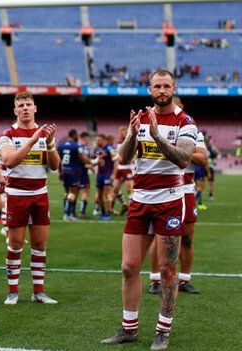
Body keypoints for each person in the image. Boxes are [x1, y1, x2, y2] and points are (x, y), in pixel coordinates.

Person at [101, 70, 197, 350]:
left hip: (169, 199)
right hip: (140, 199)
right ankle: (129, 328)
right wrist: (132, 132)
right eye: (157, 86)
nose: (162, 90)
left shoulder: (186, 122)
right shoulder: (140, 117)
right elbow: (124, 156)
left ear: (174, 88)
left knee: (167, 268)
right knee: (129, 267)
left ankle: (162, 331)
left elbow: (183, 158)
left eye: (167, 86)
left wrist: (156, 135)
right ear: (150, 88)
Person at [0, 92, 60, 306]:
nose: (25, 108)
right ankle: (13, 291)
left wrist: (50, 144)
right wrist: (33, 140)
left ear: (35, 108)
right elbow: (9, 160)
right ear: (15, 110)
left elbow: (54, 166)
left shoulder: (46, 134)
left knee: (40, 244)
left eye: (28, 104)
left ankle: (38, 291)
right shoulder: (7, 135)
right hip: (17, 196)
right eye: (20, 105)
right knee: (15, 244)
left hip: (40, 195)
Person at [147, 97, 207, 295]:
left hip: (187, 189)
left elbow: (203, 159)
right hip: (163, 189)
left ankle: (185, 280)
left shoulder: (193, 130)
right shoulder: (156, 129)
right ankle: (155, 280)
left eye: (178, 107)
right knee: (158, 238)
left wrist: (178, 151)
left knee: (187, 238)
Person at [58, 129, 88, 221]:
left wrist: (60, 171)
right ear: (75, 135)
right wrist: (92, 161)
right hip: (74, 172)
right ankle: (68, 214)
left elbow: (58, 159)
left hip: (65, 170)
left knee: (66, 192)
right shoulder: (76, 145)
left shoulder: (61, 145)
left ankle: (68, 212)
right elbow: (83, 159)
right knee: (73, 193)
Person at [111, 126, 134, 215]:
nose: (120, 134)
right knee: (115, 189)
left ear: (126, 132)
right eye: (120, 132)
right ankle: (115, 208)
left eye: (122, 132)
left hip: (128, 168)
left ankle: (131, 210)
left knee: (129, 188)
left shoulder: (131, 141)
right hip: (120, 168)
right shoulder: (119, 142)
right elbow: (119, 157)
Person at [93, 134, 116, 220]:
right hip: (100, 174)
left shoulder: (109, 148)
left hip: (108, 173)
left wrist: (114, 174)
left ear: (103, 140)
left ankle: (108, 213)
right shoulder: (96, 150)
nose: (97, 141)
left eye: (98, 140)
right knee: (99, 195)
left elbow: (116, 161)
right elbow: (94, 161)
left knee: (107, 194)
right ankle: (102, 213)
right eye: (96, 140)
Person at [77, 132, 92, 218]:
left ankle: (69, 212)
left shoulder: (77, 147)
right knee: (85, 191)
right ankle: (82, 212)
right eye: (88, 139)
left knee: (75, 192)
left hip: (75, 172)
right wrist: (92, 164)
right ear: (86, 139)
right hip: (83, 172)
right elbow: (86, 161)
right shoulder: (84, 149)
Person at [205, 135, 219, 201]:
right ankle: (210, 196)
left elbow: (216, 154)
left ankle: (210, 195)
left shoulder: (208, 148)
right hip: (206, 167)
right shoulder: (207, 148)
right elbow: (217, 154)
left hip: (207, 166)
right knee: (209, 183)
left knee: (209, 183)